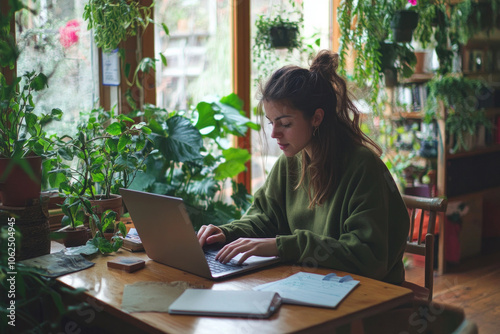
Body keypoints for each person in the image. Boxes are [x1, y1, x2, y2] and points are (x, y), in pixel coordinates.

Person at [197, 50, 410, 284]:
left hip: (368, 296)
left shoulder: (362, 167)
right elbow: (266, 217)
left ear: (316, 118)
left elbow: (367, 257)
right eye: (271, 123)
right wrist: (227, 233)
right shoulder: (290, 162)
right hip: (312, 284)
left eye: (285, 123)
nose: (274, 134)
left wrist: (284, 246)